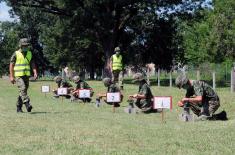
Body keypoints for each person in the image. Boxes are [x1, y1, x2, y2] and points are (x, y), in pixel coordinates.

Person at [9, 38, 37, 113]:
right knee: (23, 88)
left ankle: (18, 107)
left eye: (27, 45)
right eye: (24, 45)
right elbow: (11, 65)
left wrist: (35, 72)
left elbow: (32, 63)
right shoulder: (16, 53)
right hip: (18, 76)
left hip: (26, 75)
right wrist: (11, 76)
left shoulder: (30, 53)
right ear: (20, 46)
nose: (26, 47)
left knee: (22, 91)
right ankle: (27, 104)